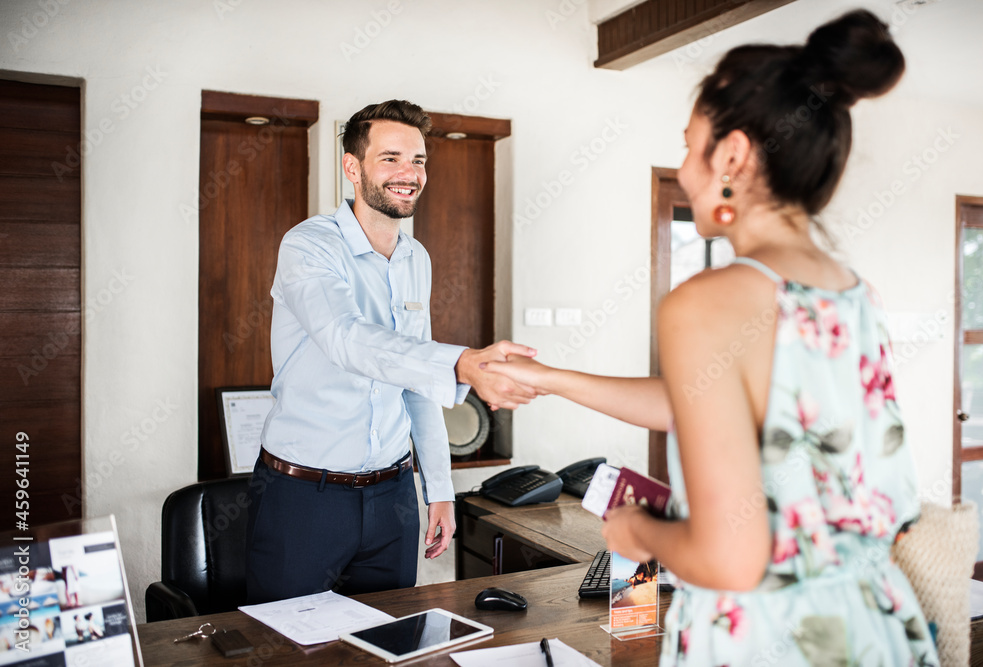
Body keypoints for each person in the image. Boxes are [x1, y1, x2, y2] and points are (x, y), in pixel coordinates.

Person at [485, 10, 939, 665]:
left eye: (688, 144)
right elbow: (699, 401)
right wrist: (547, 378)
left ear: (730, 155)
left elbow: (729, 558)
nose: (686, 169)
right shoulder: (851, 292)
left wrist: (635, 529)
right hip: (875, 625)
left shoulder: (708, 299)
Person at [246, 100, 537, 604]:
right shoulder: (308, 246)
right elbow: (346, 338)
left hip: (392, 498)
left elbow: (414, 382)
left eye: (419, 160)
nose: (409, 173)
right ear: (352, 168)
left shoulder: (414, 257)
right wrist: (460, 362)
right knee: (288, 651)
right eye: (391, 158)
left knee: (389, 644)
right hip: (302, 496)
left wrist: (440, 489)